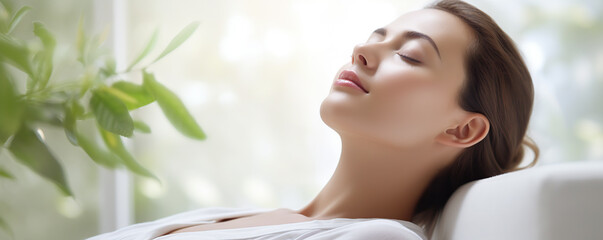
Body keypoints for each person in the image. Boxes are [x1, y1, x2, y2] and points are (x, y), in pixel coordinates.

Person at [88, 0, 538, 239]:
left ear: (462, 129)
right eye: (374, 38)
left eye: (409, 54)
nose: (362, 51)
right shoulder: (243, 216)